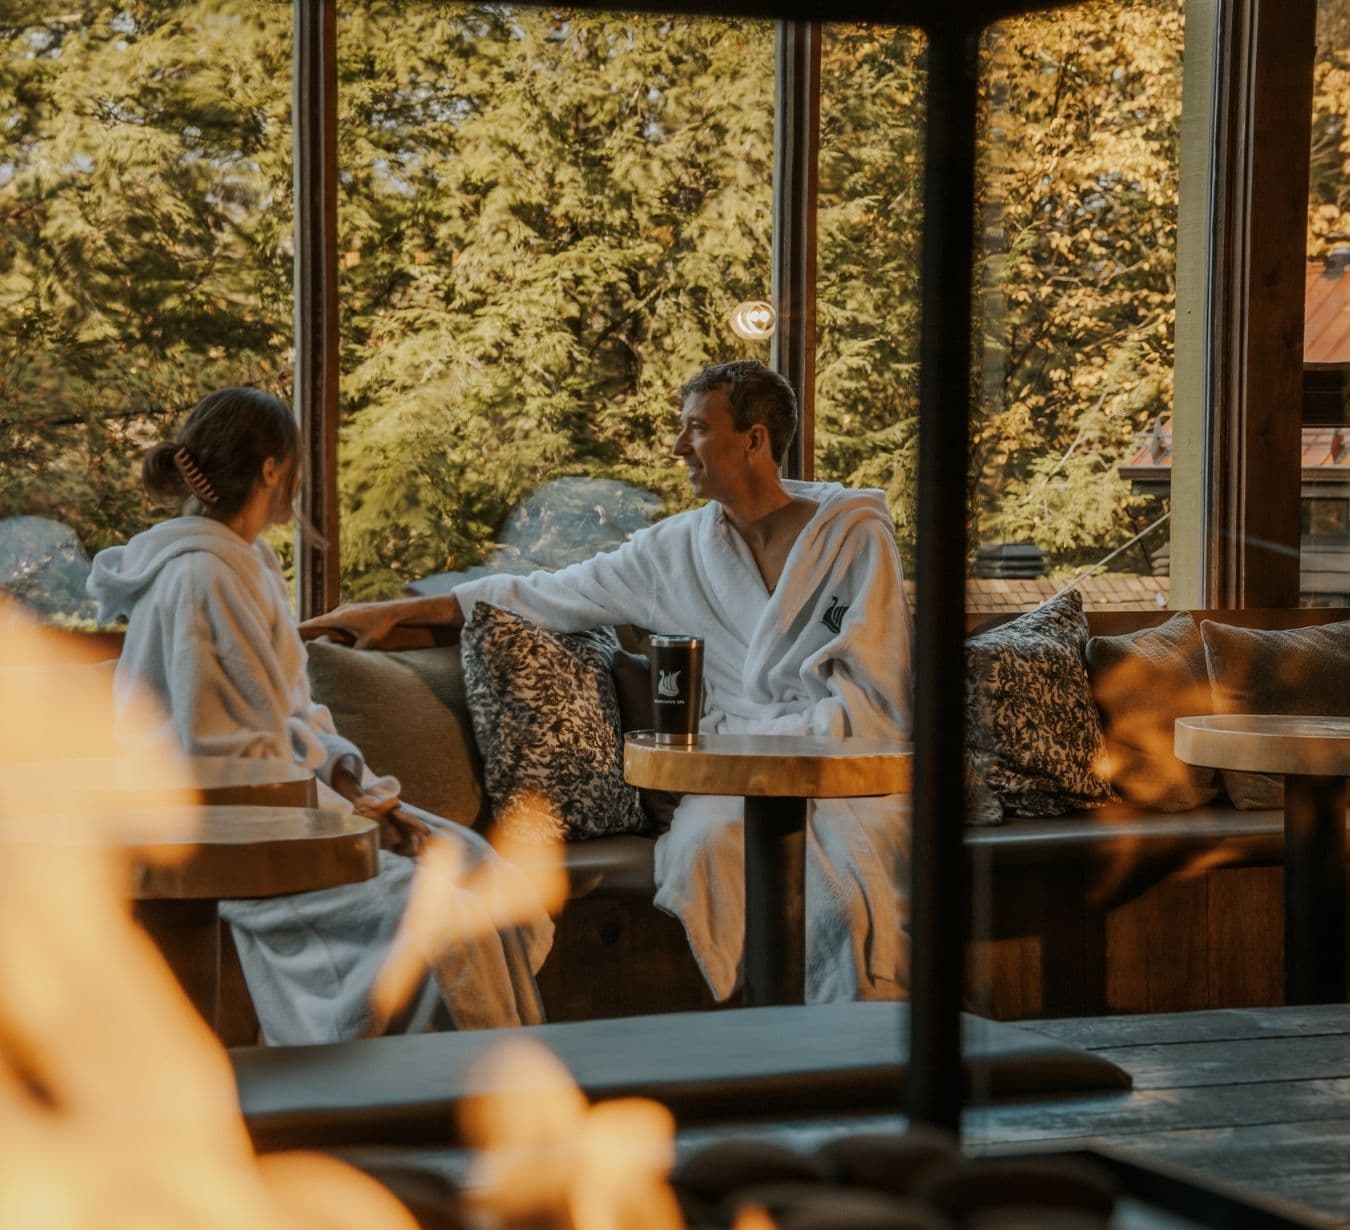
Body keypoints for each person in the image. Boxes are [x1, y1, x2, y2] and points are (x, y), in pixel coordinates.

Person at [303, 361, 913, 1002]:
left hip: (842, 769)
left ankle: (849, 1051)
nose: (679, 448)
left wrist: (803, 744)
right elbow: (540, 594)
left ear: (754, 440)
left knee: (851, 875)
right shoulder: (675, 552)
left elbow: (879, 693)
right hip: (732, 778)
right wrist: (393, 611)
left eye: (696, 429)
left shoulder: (852, 538)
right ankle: (758, 1026)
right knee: (709, 844)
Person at [88, 387, 553, 1044]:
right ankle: (434, 1095)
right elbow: (225, 760)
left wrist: (369, 798)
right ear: (275, 469)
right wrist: (352, 816)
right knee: (440, 907)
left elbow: (293, 719)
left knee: (475, 863)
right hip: (235, 839)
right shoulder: (202, 578)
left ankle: (511, 1067)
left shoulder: (246, 561)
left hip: (289, 809)